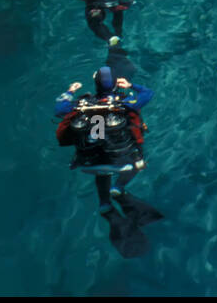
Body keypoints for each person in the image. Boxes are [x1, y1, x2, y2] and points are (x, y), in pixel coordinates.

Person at [54, 58, 162, 257]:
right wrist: (132, 85)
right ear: (116, 84)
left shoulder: (81, 105)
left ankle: (104, 204)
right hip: (123, 164)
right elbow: (148, 93)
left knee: (100, 158)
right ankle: (118, 188)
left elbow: (59, 107)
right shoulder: (126, 103)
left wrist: (70, 91)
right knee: (136, 163)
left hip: (90, 164)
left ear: (95, 82)